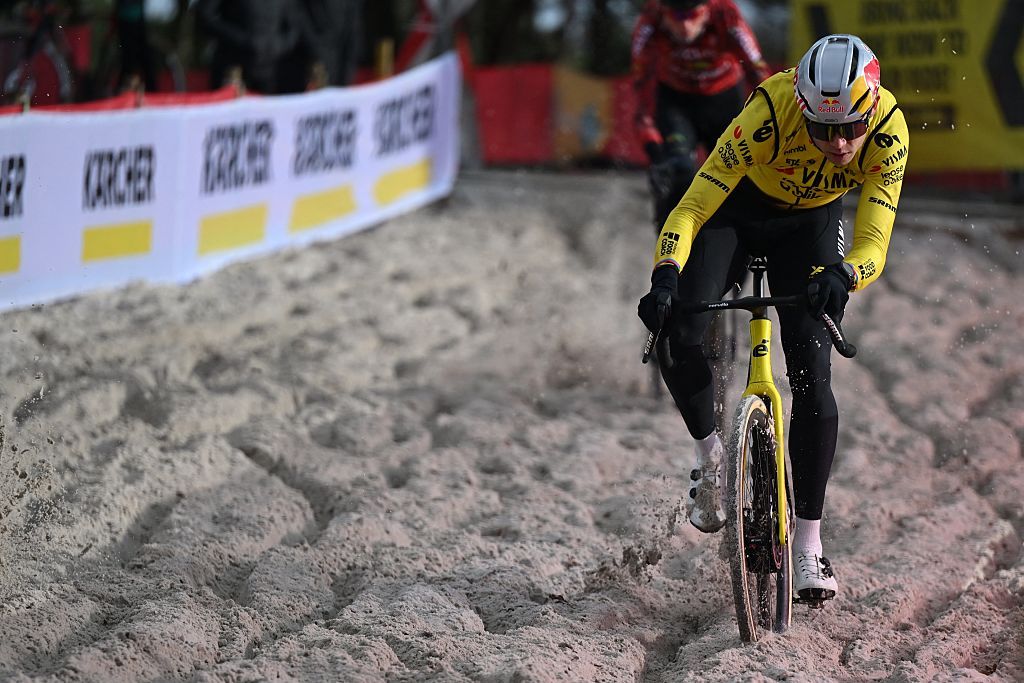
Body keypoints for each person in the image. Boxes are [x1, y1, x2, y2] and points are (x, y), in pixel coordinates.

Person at [637, 34, 908, 603]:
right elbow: (691, 206)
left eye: (850, 129)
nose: (838, 145)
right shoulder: (768, 113)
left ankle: (808, 545)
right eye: (823, 129)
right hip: (737, 212)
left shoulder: (889, 133)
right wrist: (665, 273)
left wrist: (844, 276)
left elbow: (874, 244)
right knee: (678, 328)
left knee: (813, 376)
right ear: (802, 109)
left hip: (809, 226)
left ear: (873, 108)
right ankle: (711, 461)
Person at [631, 0, 771, 231]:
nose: (685, 26)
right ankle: (668, 252)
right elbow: (642, 100)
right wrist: (655, 154)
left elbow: (760, 73)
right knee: (677, 172)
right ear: (663, 14)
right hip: (676, 101)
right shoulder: (650, 20)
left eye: (693, 14)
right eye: (676, 15)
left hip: (724, 100)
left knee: (735, 178)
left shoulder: (726, 14)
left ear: (708, 10)